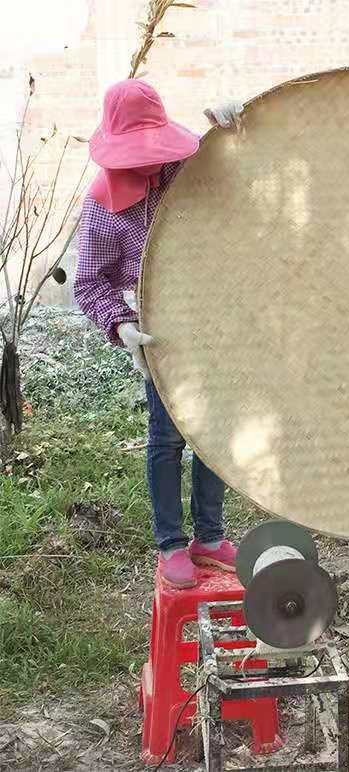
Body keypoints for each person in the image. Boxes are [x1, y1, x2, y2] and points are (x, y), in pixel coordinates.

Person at [75, 79, 244, 589]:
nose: (149, 162)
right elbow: (88, 282)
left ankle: (209, 536)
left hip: (211, 319)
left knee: (212, 434)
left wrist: (232, 131)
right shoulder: (104, 208)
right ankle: (171, 541)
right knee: (167, 438)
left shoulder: (187, 171)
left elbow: (241, 180)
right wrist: (121, 326)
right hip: (158, 336)